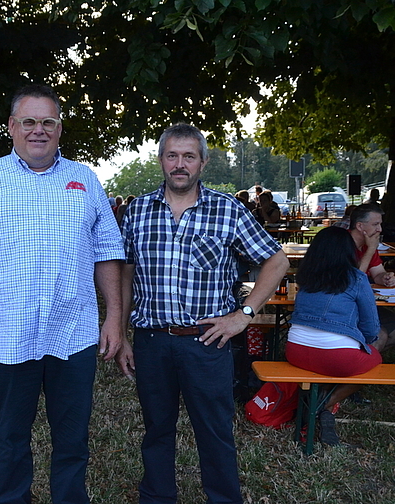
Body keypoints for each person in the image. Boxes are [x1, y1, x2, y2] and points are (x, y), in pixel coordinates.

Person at [0, 84, 124, 504]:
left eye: (48, 122)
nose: (38, 130)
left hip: (72, 333)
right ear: (11, 127)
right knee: (11, 438)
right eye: (29, 122)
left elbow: (109, 253)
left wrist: (113, 318)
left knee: (73, 438)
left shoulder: (85, 179)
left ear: (59, 129)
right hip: (6, 333)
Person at [116, 123, 289, 504]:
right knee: (156, 431)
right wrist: (121, 332)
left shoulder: (227, 210)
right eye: (172, 155)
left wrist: (243, 314)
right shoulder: (138, 211)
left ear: (203, 162)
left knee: (214, 432)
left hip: (207, 342)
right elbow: (126, 273)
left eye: (188, 156)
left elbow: (276, 261)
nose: (180, 164)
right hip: (152, 341)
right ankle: (157, 498)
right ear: (161, 159)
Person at [286, 226, 384, 445]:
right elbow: (371, 329)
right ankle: (324, 407)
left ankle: (320, 405)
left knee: (332, 362)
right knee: (375, 360)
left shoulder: (306, 277)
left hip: (295, 351)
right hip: (338, 358)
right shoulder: (357, 278)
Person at [349, 203, 395, 351]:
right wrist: (370, 250)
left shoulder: (368, 245)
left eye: (380, 224)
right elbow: (352, 283)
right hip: (346, 306)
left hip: (365, 304)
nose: (380, 230)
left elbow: (377, 274)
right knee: (379, 334)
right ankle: (362, 362)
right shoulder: (342, 245)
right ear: (360, 226)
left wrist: (386, 277)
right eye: (376, 224)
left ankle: (366, 356)